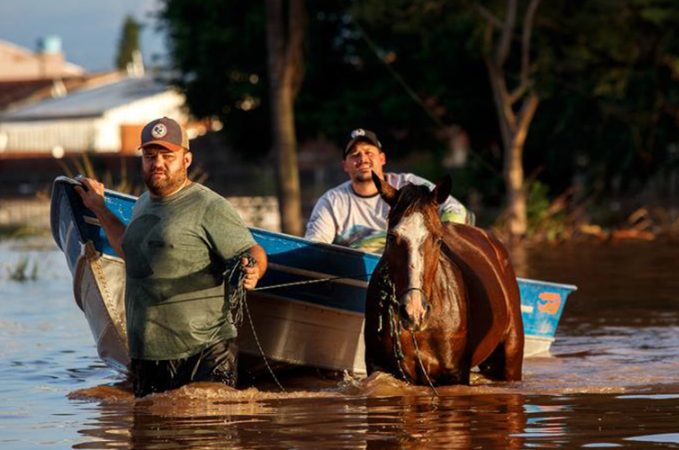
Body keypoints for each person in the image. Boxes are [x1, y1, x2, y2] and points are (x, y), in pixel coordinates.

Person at [74, 117, 268, 397]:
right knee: (148, 433)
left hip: (204, 352)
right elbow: (130, 252)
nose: (158, 163)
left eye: (167, 156)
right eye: (150, 156)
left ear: (186, 160)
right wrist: (100, 209)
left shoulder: (208, 205)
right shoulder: (141, 203)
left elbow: (252, 251)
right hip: (148, 355)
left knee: (205, 431)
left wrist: (253, 269)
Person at [305, 128, 470, 253]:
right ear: (345, 165)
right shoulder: (332, 201)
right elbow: (315, 246)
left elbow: (455, 209)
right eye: (355, 155)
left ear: (382, 158)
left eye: (369, 152)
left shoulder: (409, 185)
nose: (362, 159)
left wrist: (444, 238)